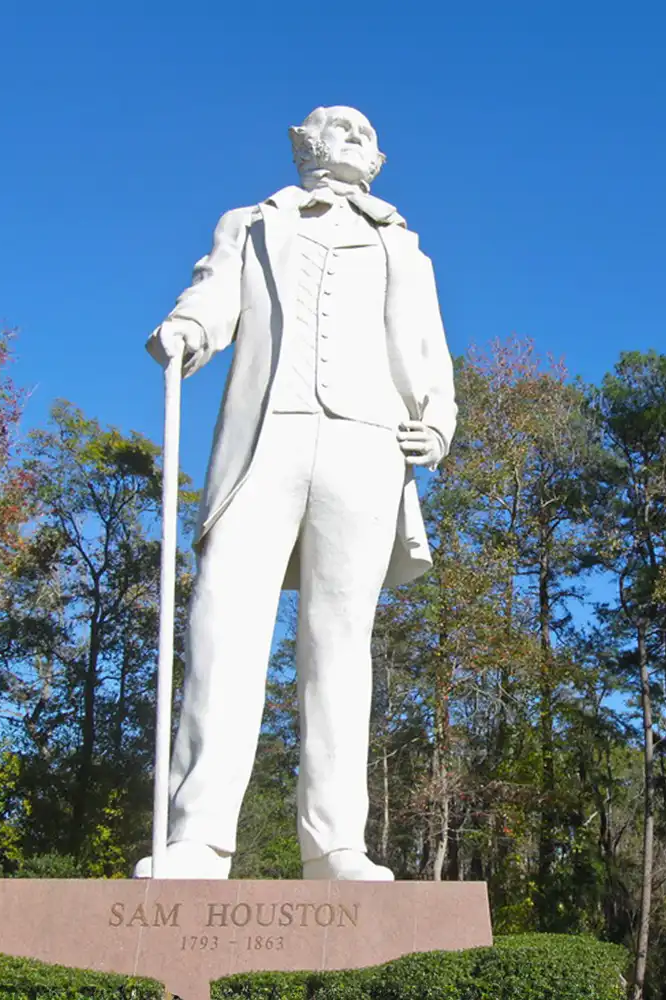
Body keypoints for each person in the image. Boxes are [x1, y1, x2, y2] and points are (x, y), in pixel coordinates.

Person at [136, 106, 457, 880]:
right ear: (302, 143)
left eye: (361, 129)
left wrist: (438, 423)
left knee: (339, 647)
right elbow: (214, 298)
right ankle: (198, 839)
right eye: (332, 125)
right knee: (221, 630)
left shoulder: (403, 247)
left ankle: (336, 844)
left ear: (379, 156)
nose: (347, 134)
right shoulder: (251, 223)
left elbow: (425, 345)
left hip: (366, 444)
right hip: (264, 440)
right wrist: (188, 330)